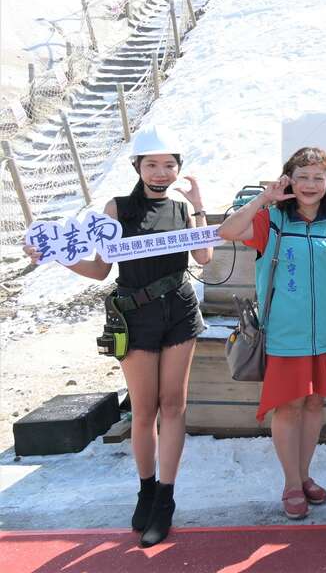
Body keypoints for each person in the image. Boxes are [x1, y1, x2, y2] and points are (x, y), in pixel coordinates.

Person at [23, 125, 211, 547]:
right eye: (152, 165)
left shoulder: (182, 209)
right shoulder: (118, 208)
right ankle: (146, 490)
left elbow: (204, 256)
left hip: (180, 311)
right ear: (137, 167)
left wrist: (199, 205)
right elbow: (99, 269)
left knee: (173, 405)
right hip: (135, 315)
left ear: (178, 168)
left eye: (169, 165)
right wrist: (54, 255)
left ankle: (166, 499)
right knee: (143, 410)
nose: (161, 173)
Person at [218, 147, 326, 521]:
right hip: (285, 333)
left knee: (315, 404)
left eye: (318, 177)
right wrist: (264, 199)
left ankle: (305, 474)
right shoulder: (273, 219)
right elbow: (227, 231)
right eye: (302, 177)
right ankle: (291, 484)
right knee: (289, 406)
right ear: (289, 180)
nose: (310, 184)